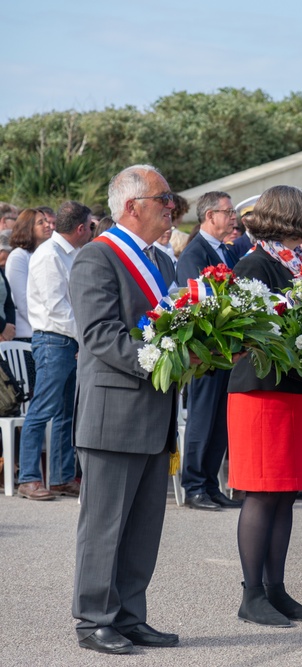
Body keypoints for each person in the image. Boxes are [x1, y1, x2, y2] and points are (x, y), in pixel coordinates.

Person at [70, 165, 179, 654]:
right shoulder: (97, 258)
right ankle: (94, 618)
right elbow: (100, 335)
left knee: (141, 528)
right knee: (105, 525)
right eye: (164, 199)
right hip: (115, 413)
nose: (172, 208)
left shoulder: (161, 263)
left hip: (153, 412)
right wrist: (168, 359)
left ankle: (130, 615)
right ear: (133, 206)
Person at [228, 185, 302, 626]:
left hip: (299, 390)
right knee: (263, 493)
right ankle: (251, 595)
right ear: (293, 216)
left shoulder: (300, 264)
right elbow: (249, 335)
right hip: (263, 393)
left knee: (286, 495)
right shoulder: (255, 264)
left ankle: (276, 590)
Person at [17, 201, 93, 501]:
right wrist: (85, 337)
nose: (91, 231)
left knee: (64, 414)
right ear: (79, 228)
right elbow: (58, 307)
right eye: (90, 226)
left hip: (68, 340)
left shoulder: (70, 253)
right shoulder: (49, 255)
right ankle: (28, 477)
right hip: (53, 339)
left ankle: (61, 477)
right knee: (43, 410)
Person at [176, 191, 241, 511]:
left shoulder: (225, 252)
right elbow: (194, 300)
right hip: (205, 350)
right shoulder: (195, 252)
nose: (233, 218)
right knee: (202, 418)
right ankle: (194, 485)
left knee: (220, 421)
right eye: (227, 212)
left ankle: (211, 484)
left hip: (225, 350)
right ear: (209, 216)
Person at [8, 209, 55, 344]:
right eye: (41, 222)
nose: (48, 225)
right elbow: (22, 301)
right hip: (28, 334)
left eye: (46, 221)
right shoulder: (18, 256)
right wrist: (45, 327)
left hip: (44, 330)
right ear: (28, 228)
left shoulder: (44, 253)